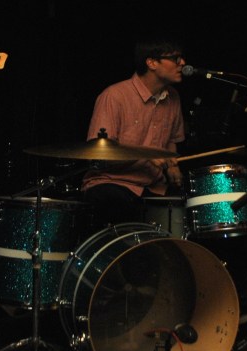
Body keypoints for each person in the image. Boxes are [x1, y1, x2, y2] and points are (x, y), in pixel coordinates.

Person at [80, 38, 186, 227]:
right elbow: (99, 155)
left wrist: (172, 166)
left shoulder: (173, 98)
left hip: (154, 186)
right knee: (115, 203)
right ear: (151, 62)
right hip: (114, 183)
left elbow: (171, 140)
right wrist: (145, 155)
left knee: (189, 207)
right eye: (175, 58)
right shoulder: (114, 96)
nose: (183, 63)